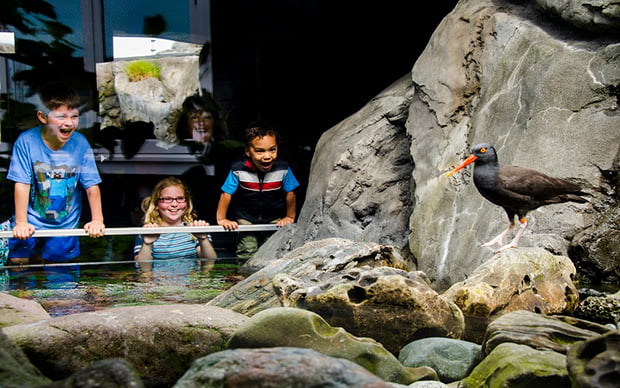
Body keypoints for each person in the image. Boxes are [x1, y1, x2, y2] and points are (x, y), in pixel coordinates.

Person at [7, 82, 105, 266]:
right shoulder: (26, 141)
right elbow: (21, 183)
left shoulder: (81, 143)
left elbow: (91, 185)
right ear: (43, 117)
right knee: (18, 262)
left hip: (65, 223)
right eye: (61, 116)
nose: (69, 122)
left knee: (59, 272)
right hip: (31, 219)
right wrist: (21, 222)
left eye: (74, 116)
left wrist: (97, 220)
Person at [216, 121, 299, 258]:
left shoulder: (283, 169)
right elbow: (226, 194)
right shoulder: (238, 170)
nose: (267, 156)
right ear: (248, 151)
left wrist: (289, 217)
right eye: (260, 151)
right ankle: (245, 276)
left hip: (273, 217)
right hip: (246, 217)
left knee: (272, 248)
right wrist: (222, 218)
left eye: (272, 149)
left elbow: (290, 193)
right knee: (248, 248)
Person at [134, 176, 217, 276]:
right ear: (156, 204)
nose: (174, 204)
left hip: (189, 286)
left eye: (180, 199)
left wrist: (203, 239)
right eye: (167, 199)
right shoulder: (147, 231)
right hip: (158, 286)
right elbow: (141, 267)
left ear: (187, 203)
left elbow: (210, 262)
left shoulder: (195, 228)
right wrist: (147, 243)